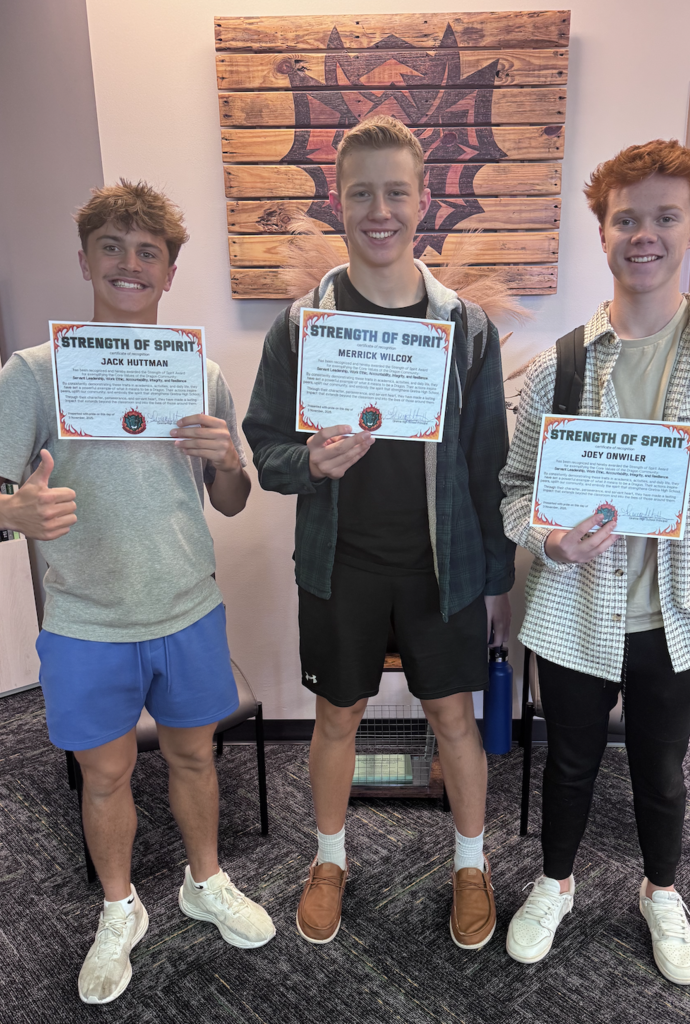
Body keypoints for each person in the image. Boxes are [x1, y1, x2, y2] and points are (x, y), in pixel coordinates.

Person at [0, 180, 275, 1005]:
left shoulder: (198, 374)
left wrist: (228, 459)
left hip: (187, 608)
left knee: (196, 756)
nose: (130, 264)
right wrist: (12, 508)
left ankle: (205, 882)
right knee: (105, 775)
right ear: (86, 258)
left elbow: (229, 500)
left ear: (169, 272)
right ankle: (119, 907)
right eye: (113, 247)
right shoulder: (34, 371)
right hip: (87, 619)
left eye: (148, 252)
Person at [499, 140, 690, 984]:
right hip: (572, 613)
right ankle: (555, 884)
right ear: (603, 230)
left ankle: (661, 892)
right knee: (569, 763)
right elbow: (515, 489)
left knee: (660, 770)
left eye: (664, 217)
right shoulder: (563, 365)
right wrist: (549, 539)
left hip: (677, 618)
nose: (644, 235)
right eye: (627, 218)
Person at [243, 116, 515, 950]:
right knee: (337, 719)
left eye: (395, 191)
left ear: (423, 199)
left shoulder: (465, 327)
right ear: (337, 199)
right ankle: (330, 861)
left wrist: (495, 583)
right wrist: (309, 465)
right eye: (361, 192)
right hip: (341, 565)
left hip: (443, 568)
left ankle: (470, 866)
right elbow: (263, 446)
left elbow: (488, 464)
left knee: (454, 722)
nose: (379, 210)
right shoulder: (301, 325)